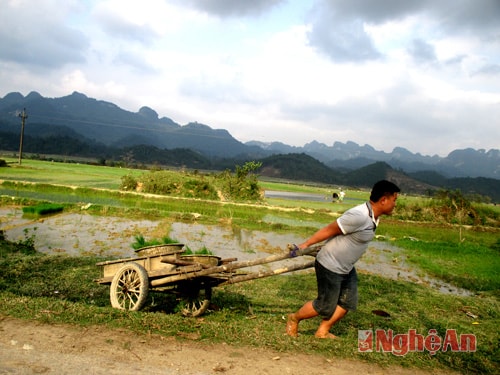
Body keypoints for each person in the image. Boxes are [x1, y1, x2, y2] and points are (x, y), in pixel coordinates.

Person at [286, 180, 400, 339]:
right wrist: (305, 244)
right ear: (383, 200)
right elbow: (329, 229)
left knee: (347, 303)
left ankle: (322, 331)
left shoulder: (373, 216)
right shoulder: (358, 216)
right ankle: (294, 318)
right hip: (330, 264)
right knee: (324, 306)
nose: (395, 204)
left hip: (346, 267)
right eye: (394, 200)